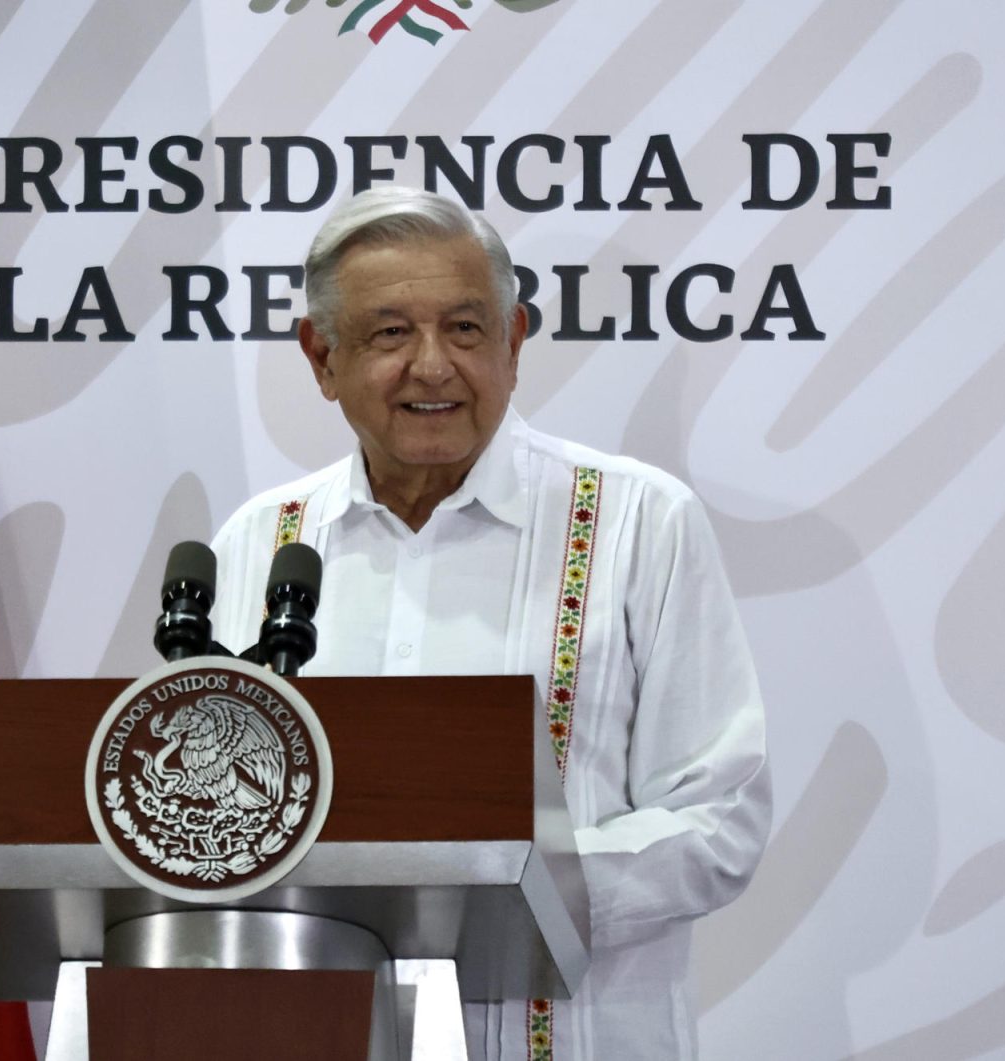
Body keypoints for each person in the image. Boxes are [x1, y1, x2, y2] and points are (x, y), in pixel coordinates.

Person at [209, 187, 771, 1060]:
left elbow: (718, 817)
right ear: (321, 357)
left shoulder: (635, 520)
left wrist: (504, 887)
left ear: (514, 343)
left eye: (466, 329)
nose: (433, 367)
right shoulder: (262, 541)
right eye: (390, 333)